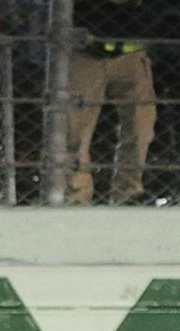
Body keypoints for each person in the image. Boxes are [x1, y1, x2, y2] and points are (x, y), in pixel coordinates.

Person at [68, 0, 158, 205]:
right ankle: (75, 200)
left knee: (140, 127)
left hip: (131, 52)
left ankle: (127, 197)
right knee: (75, 132)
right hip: (85, 50)